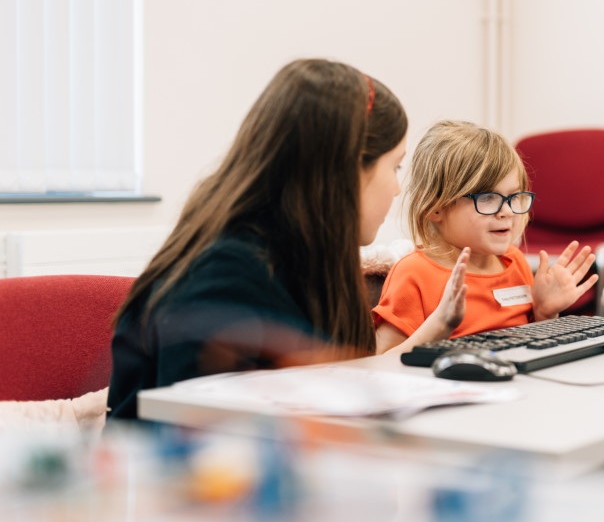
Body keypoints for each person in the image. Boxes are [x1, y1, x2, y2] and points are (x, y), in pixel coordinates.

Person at [107, 58, 444, 419]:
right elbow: (206, 444)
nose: (396, 189)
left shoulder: (303, 259)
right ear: (346, 169)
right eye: (394, 167)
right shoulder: (224, 276)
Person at [373, 120, 599, 354]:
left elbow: (530, 349)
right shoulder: (414, 273)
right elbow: (380, 361)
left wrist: (545, 313)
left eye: (513, 197)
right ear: (435, 207)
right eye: (488, 198)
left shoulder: (514, 262)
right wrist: (438, 327)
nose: (508, 211)